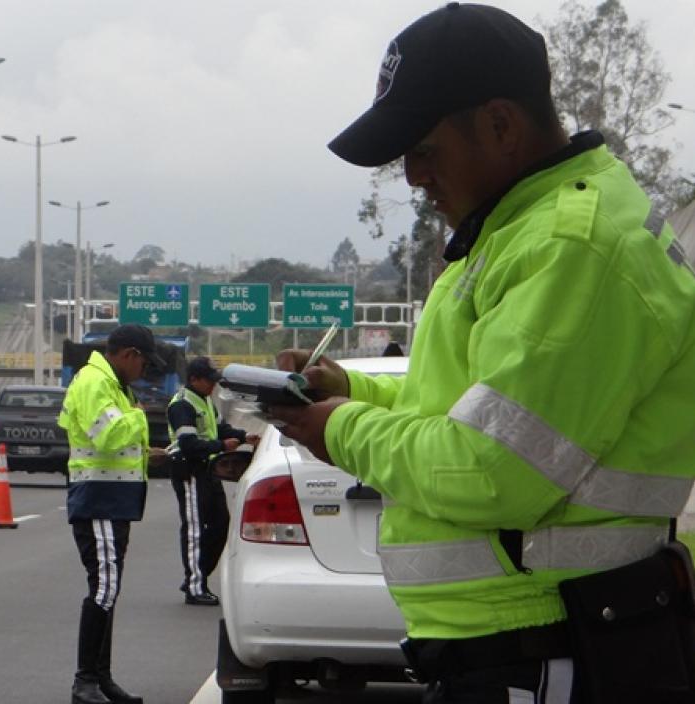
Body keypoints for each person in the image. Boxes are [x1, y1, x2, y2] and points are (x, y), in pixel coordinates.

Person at [269, 4, 695, 702]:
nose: (411, 176)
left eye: (424, 150)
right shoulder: (523, 231)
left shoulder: (570, 246)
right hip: (528, 641)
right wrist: (353, 389)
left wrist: (341, 427)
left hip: (547, 644)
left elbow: (495, 472)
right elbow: (480, 411)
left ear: (501, 125)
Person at [58, 324, 166, 704]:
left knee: (109, 588)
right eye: (143, 363)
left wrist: (146, 452)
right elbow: (106, 436)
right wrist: (139, 417)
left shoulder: (114, 384)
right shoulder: (94, 382)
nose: (143, 371)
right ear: (128, 354)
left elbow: (109, 440)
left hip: (115, 499)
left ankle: (101, 679)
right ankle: (84, 682)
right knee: (103, 588)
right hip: (99, 499)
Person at [166, 357, 258, 606]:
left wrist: (244, 436)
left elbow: (221, 429)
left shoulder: (205, 401)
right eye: (209, 381)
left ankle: (197, 576)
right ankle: (195, 587)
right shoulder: (182, 406)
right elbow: (189, 444)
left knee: (221, 524)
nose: (213, 387)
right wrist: (221, 446)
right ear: (194, 379)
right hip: (190, 471)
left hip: (209, 469)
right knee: (195, 530)